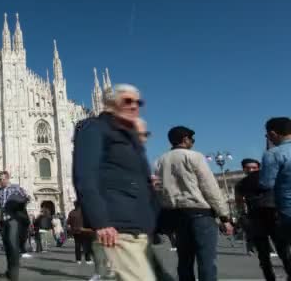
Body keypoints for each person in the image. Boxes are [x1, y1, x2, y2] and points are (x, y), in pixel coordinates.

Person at [73, 84, 158, 281]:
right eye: (128, 101)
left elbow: (139, 180)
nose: (135, 106)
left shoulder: (127, 137)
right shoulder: (93, 128)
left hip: (139, 230)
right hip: (116, 229)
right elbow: (85, 176)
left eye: (138, 102)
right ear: (110, 103)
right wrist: (101, 221)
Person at [156, 125, 233, 281]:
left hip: (176, 216)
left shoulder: (159, 161)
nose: (193, 142)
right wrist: (224, 216)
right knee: (206, 260)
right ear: (185, 139)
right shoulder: (194, 156)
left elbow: (158, 192)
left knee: (184, 260)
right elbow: (209, 187)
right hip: (200, 214)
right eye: (192, 139)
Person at [235, 157, 291, 281]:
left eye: (254, 167)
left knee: (284, 252)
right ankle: (270, 278)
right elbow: (239, 204)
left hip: (274, 217)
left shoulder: (271, 179)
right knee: (264, 256)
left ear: (259, 168)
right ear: (243, 169)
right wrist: (243, 219)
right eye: (248, 168)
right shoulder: (241, 184)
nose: (251, 170)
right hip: (256, 220)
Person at [0, 171, 30, 281]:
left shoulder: (16, 188)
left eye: (2, 179)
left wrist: (18, 204)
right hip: (3, 222)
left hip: (14, 220)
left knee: (12, 244)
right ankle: (10, 270)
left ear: (7, 178)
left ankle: (14, 274)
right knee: (8, 247)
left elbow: (27, 198)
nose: (0, 181)